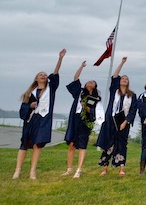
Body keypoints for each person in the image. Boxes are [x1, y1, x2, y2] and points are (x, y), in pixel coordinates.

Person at [13, 48, 65, 180]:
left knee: (37, 144)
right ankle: (17, 170)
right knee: (24, 144)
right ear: (36, 78)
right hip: (31, 120)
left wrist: (60, 58)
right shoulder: (29, 92)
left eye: (45, 74)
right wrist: (29, 105)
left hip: (43, 119)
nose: (43, 75)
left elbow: (56, 72)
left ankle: (32, 172)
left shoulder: (51, 88)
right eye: (40, 74)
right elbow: (23, 108)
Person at [97, 56, 138, 176]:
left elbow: (133, 110)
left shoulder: (132, 95)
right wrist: (122, 63)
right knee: (109, 143)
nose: (124, 79)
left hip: (124, 121)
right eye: (123, 78)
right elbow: (114, 76)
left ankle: (121, 168)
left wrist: (126, 122)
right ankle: (105, 168)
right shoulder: (114, 90)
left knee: (122, 144)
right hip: (111, 119)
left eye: (126, 79)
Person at [63, 60, 101, 179]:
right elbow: (75, 78)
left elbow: (96, 112)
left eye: (92, 83)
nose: (90, 83)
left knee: (82, 145)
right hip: (75, 118)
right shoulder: (79, 92)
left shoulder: (96, 98)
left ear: (94, 87)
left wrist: (88, 109)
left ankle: (78, 170)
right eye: (88, 81)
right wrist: (81, 67)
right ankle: (69, 169)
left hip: (86, 122)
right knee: (71, 144)